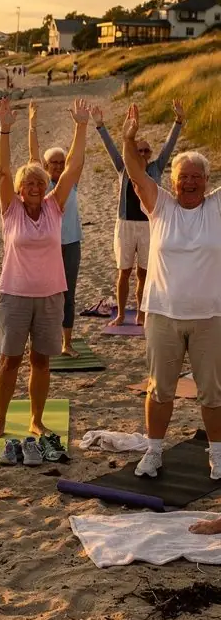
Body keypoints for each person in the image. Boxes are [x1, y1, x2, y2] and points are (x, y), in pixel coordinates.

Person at [120, 106, 221, 531]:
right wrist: (128, 138)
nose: (190, 183)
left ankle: (217, 454)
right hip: (162, 313)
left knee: (212, 392)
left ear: (207, 182)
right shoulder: (159, 206)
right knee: (159, 390)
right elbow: (135, 172)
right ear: (173, 182)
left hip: (210, 316)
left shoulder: (216, 208)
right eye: (184, 177)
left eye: (197, 177)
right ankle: (154, 449)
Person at [0, 96, 89, 446]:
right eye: (28, 183)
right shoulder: (11, 210)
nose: (34, 187)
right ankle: (0, 420)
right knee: (9, 361)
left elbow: (74, 166)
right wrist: (4, 130)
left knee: (42, 361)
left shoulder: (54, 208)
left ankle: (35, 420)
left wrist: (80, 126)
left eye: (39, 182)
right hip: (14, 296)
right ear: (18, 190)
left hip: (49, 296)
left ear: (47, 185)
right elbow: (2, 170)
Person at [91, 100, 184, 325]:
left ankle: (142, 313)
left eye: (145, 150)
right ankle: (122, 314)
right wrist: (100, 125)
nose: (142, 153)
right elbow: (112, 147)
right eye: (138, 149)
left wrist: (179, 121)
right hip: (124, 225)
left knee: (144, 273)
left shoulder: (156, 167)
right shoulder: (123, 167)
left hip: (148, 225)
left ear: (150, 154)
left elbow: (169, 146)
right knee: (123, 272)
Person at [28, 101, 82, 356]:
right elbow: (33, 155)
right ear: (46, 167)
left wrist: (78, 126)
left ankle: (66, 343)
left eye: (62, 163)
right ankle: (41, 340)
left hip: (71, 243)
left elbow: (75, 157)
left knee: (67, 293)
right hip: (46, 246)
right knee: (44, 293)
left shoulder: (71, 183)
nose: (59, 166)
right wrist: (32, 125)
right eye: (55, 163)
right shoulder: (42, 186)